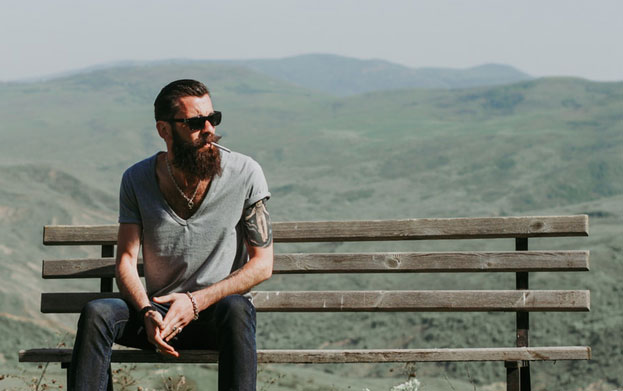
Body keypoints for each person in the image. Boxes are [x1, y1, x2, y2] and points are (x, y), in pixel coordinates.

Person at [68, 79, 273, 391]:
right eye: (194, 123)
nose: (208, 129)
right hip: (158, 318)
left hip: (215, 317)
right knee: (97, 313)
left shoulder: (245, 173)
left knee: (237, 308)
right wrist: (147, 310)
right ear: (164, 130)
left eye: (212, 118)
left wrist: (194, 302)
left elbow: (262, 265)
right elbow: (125, 259)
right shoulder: (136, 179)